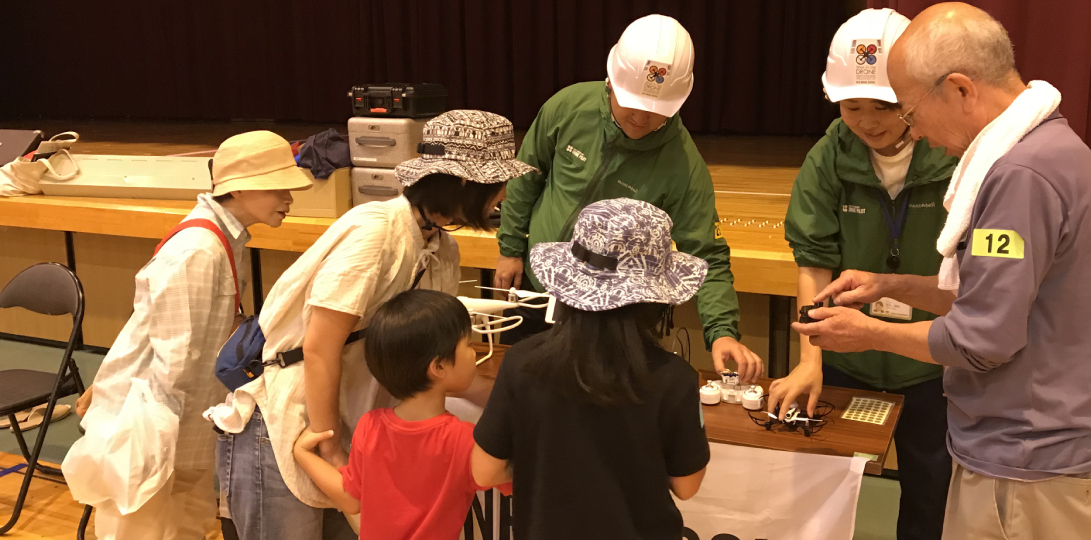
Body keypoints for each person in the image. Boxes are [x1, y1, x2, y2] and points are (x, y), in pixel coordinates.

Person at [794, 4, 1091, 539]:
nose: (914, 131)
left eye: (909, 110)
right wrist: (892, 285)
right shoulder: (1047, 149)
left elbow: (981, 338)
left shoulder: (1020, 176)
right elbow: (990, 300)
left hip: (1026, 463)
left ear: (960, 90)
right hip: (1033, 455)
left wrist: (867, 333)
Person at [205, 110, 537, 540]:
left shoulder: (442, 247)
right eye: (497, 185)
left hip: (349, 421)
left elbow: (430, 360)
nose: (505, 196)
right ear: (462, 183)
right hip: (292, 419)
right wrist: (329, 446)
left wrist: (516, 400)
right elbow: (320, 348)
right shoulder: (374, 232)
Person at [764, 9, 958, 540]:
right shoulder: (829, 157)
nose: (868, 121)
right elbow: (813, 261)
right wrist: (811, 361)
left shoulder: (953, 154)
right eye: (852, 106)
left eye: (885, 106)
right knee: (823, 496)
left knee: (931, 499)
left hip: (932, 363)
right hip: (849, 359)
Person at [494, 14, 764, 383]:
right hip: (536, 287)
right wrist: (510, 247)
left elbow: (708, 256)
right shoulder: (567, 107)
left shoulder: (683, 165)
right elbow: (526, 176)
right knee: (524, 396)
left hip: (616, 321)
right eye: (631, 102)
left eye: (657, 110)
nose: (641, 117)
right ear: (610, 82)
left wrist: (723, 332)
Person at [69, 130, 312, 539]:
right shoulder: (198, 249)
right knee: (141, 529)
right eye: (279, 188)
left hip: (182, 421)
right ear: (241, 189)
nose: (289, 199)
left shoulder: (221, 239)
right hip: (155, 425)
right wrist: (156, 446)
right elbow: (174, 361)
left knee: (187, 525)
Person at [473, 198, 711, 540]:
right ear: (657, 297)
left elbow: (484, 472)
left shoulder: (521, 361)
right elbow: (687, 486)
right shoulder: (676, 379)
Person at [293, 289, 511, 540]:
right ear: (439, 366)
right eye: (468, 345)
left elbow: (352, 499)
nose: (474, 353)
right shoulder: (464, 440)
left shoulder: (370, 426)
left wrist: (303, 455)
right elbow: (517, 479)